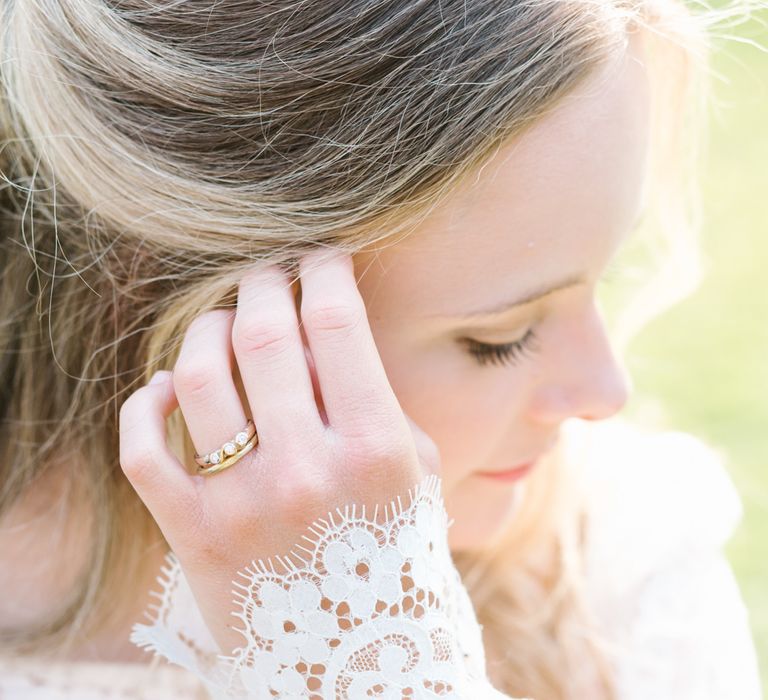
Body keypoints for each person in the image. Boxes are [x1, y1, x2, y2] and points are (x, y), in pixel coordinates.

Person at [0, 0, 762, 698]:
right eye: (497, 339)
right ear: (211, 313)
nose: (606, 391)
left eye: (602, 279)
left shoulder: (622, 570)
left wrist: (369, 655)